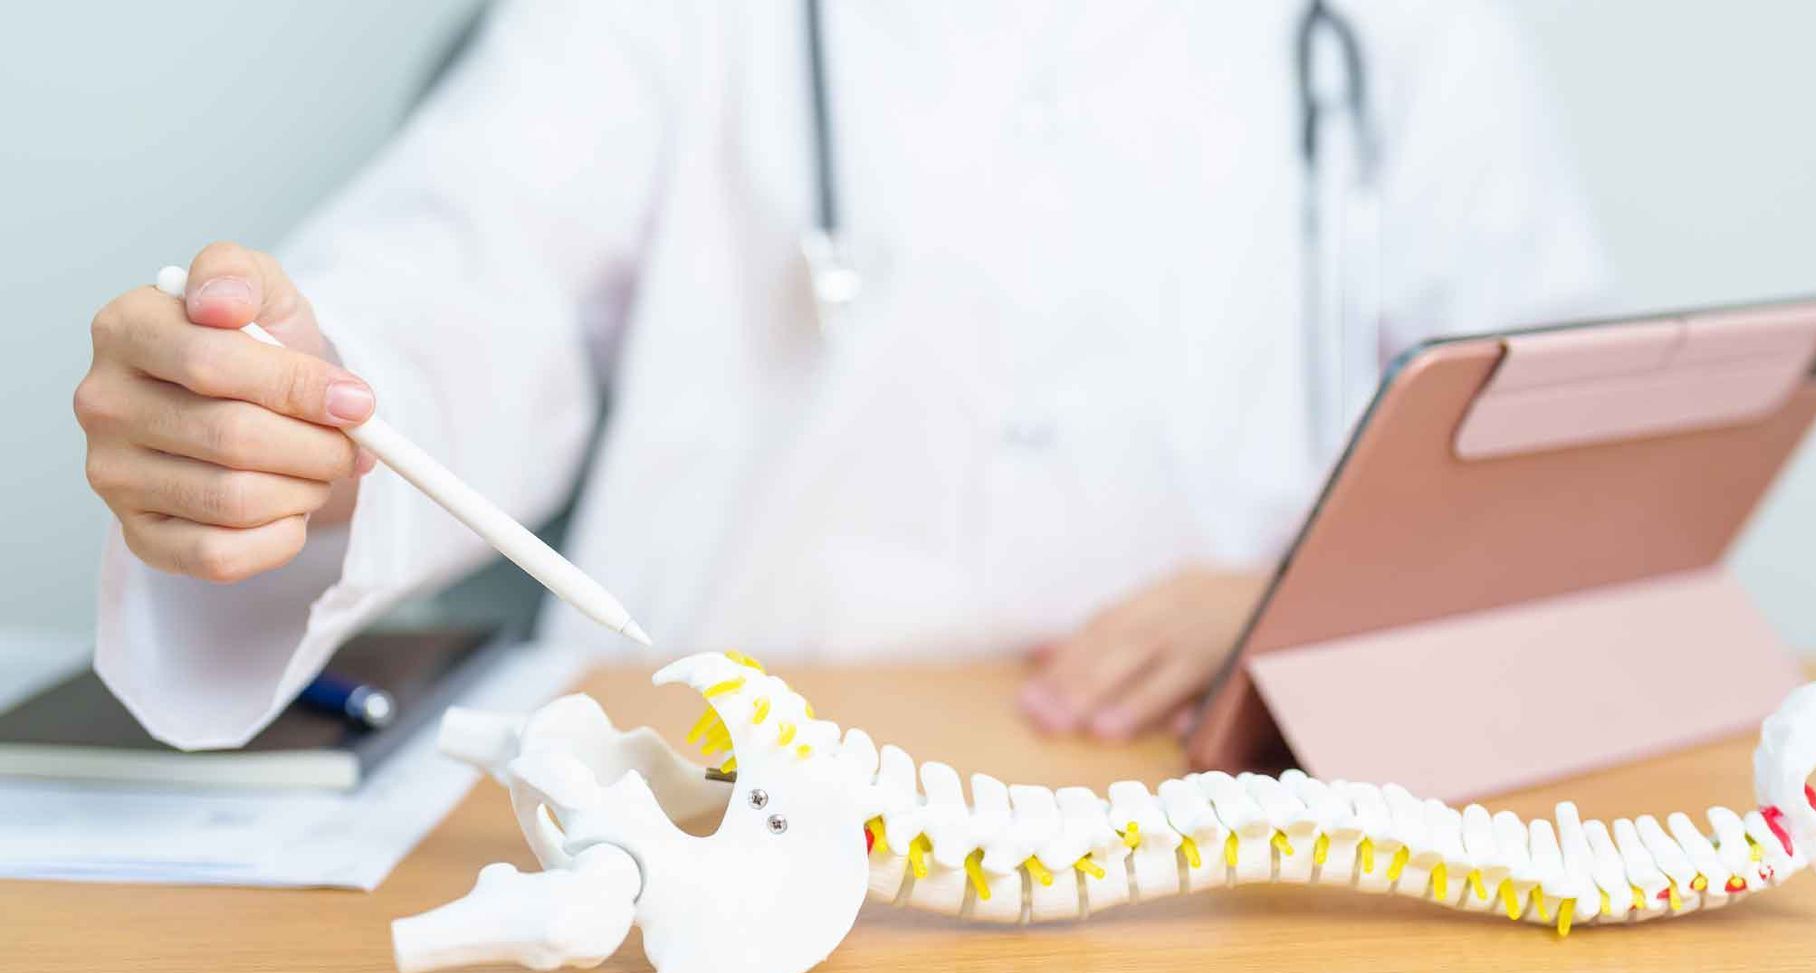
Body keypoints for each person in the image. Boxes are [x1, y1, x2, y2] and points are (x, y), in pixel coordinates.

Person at [73, 0, 1605, 751]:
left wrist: (1324, 593)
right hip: (723, 776)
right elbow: (471, 279)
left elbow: (1549, 426)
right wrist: (301, 417)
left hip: (1231, 808)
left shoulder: (1406, 24)